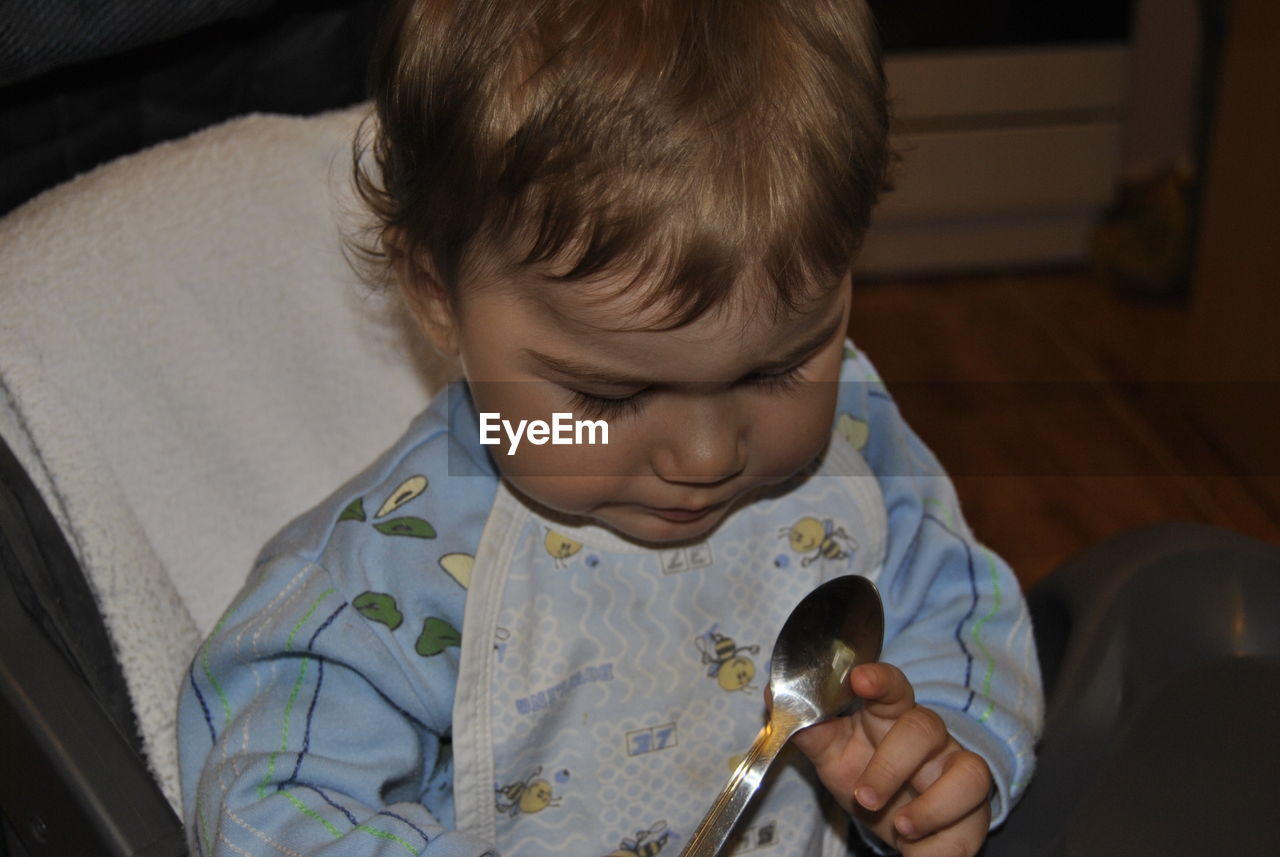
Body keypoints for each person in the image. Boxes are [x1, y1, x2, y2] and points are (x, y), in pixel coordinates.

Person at [177, 2, 1043, 856]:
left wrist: (933, 762)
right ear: (438, 295)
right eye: (608, 396)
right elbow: (265, 793)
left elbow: (960, 611)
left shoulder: (858, 443)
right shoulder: (402, 566)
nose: (705, 456)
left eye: (775, 370)